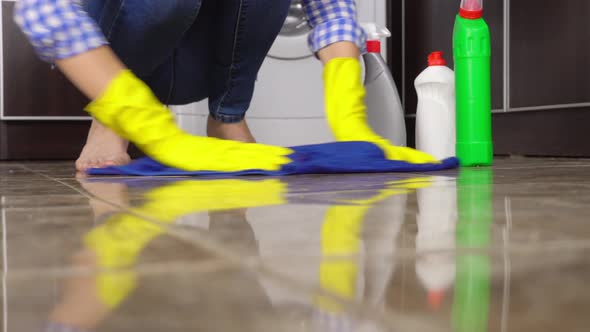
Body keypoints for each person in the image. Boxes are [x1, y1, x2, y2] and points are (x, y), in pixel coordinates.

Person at [14, 0, 436, 173]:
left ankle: (228, 118)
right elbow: (40, 9)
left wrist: (351, 121)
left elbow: (331, 9)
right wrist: (143, 121)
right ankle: (110, 124)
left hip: (199, 63)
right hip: (110, 57)